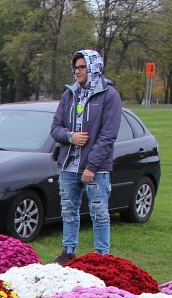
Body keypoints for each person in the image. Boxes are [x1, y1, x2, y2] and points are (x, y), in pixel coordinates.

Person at [50, 49, 122, 264]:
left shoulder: (109, 95)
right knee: (68, 211)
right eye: (75, 67)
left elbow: (108, 136)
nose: (77, 71)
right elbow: (55, 129)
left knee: (99, 213)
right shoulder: (69, 94)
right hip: (68, 166)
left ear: (93, 68)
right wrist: (70, 137)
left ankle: (102, 258)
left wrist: (91, 166)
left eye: (82, 67)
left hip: (95, 169)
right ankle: (68, 252)